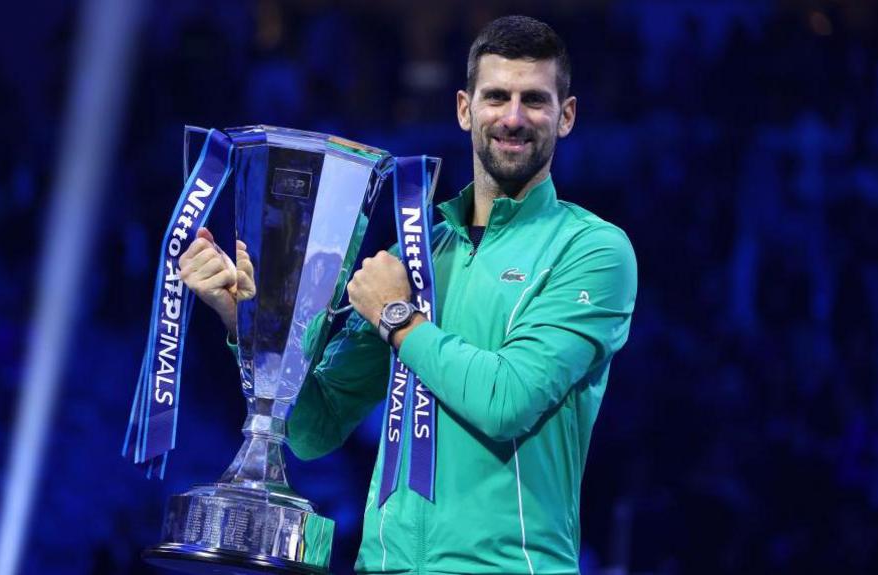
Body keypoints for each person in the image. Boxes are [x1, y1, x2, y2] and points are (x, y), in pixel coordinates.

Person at [180, 15, 637, 575]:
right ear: (465, 109)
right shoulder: (418, 253)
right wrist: (247, 323)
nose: (513, 118)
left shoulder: (591, 250)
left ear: (565, 116)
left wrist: (398, 316)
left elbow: (509, 401)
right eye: (496, 97)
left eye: (534, 101)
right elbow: (315, 430)